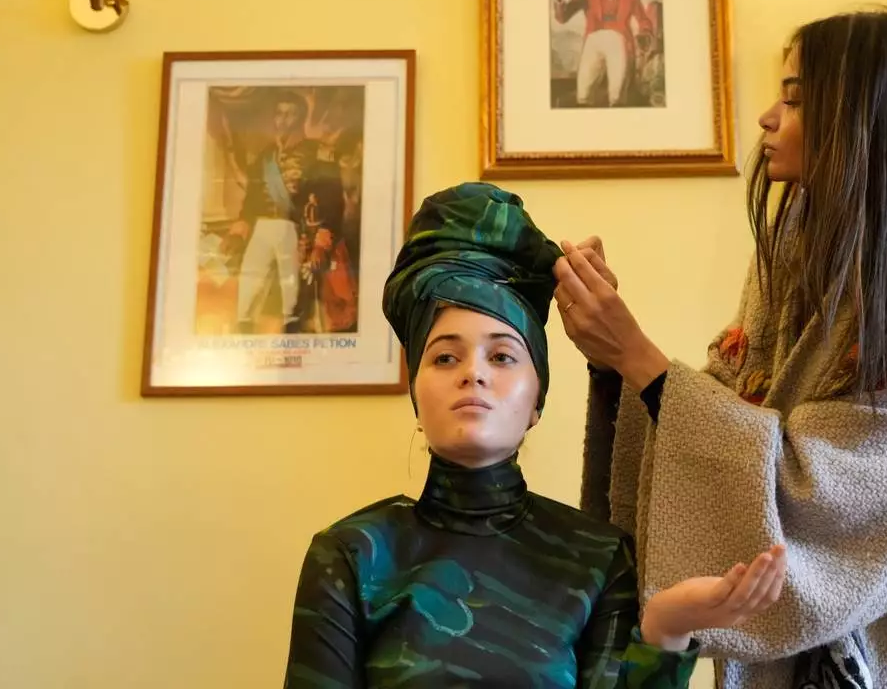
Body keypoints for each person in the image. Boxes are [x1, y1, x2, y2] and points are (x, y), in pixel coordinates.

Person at [554, 9, 887, 688]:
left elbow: (855, 492)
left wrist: (642, 361)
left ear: (863, 114)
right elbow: (732, 395)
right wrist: (615, 359)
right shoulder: (797, 238)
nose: (768, 116)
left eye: (795, 98)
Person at [283, 183, 788, 688]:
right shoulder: (353, 554)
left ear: (536, 403)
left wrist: (665, 629)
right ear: (417, 396)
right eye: (444, 357)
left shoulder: (599, 557)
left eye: (501, 356)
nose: (473, 374)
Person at [228, 91, 344, 334]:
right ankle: (243, 336)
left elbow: (332, 200)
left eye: (290, 114)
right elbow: (251, 200)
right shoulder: (265, 157)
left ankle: (292, 331)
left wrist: (322, 243)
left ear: (301, 118)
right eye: (279, 114)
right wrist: (239, 230)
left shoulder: (319, 153)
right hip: (262, 227)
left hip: (294, 229)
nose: (283, 120)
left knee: (292, 296)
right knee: (249, 285)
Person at [554, 0, 655, 107]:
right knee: (584, 93)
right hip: (593, 41)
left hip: (620, 41)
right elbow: (563, 18)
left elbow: (644, 20)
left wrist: (644, 33)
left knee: (617, 95)